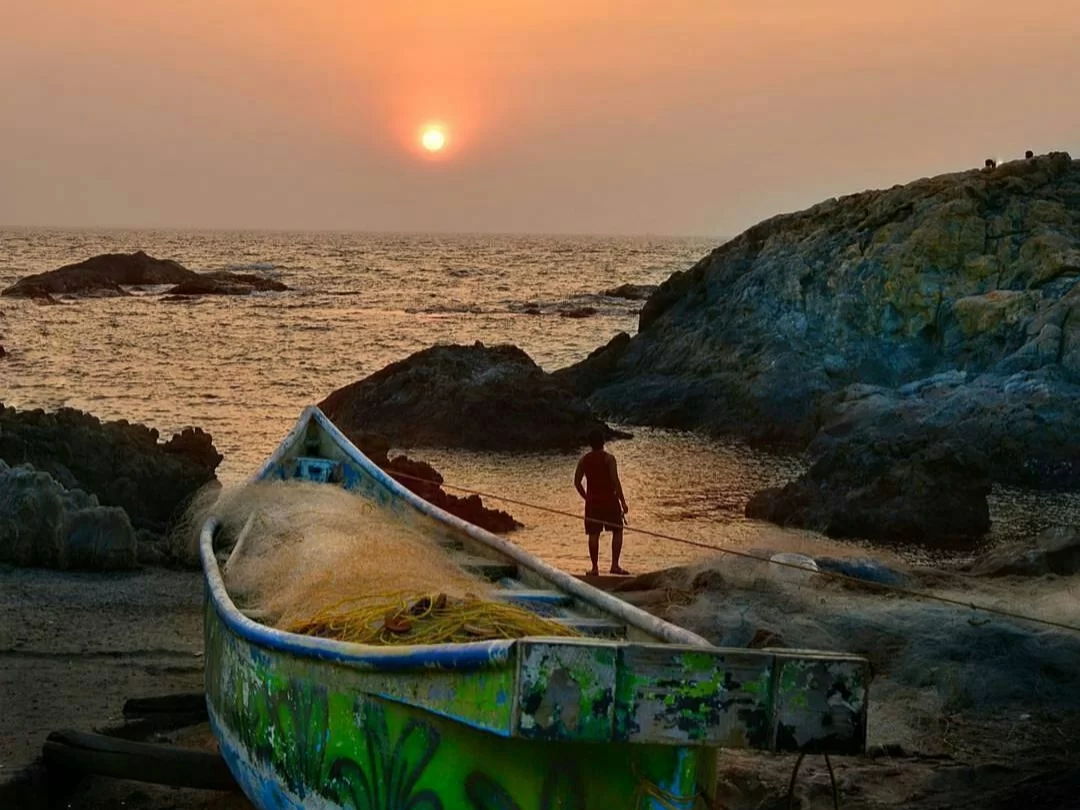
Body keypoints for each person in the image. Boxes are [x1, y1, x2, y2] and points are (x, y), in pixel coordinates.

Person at [574, 429, 629, 576]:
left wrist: (586, 497)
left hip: (593, 503)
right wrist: (623, 502)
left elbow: (577, 482)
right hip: (609, 501)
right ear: (603, 442)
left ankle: (594, 568)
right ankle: (615, 565)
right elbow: (615, 482)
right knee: (617, 530)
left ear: (590, 444)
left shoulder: (584, 460)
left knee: (593, 534)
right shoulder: (609, 459)